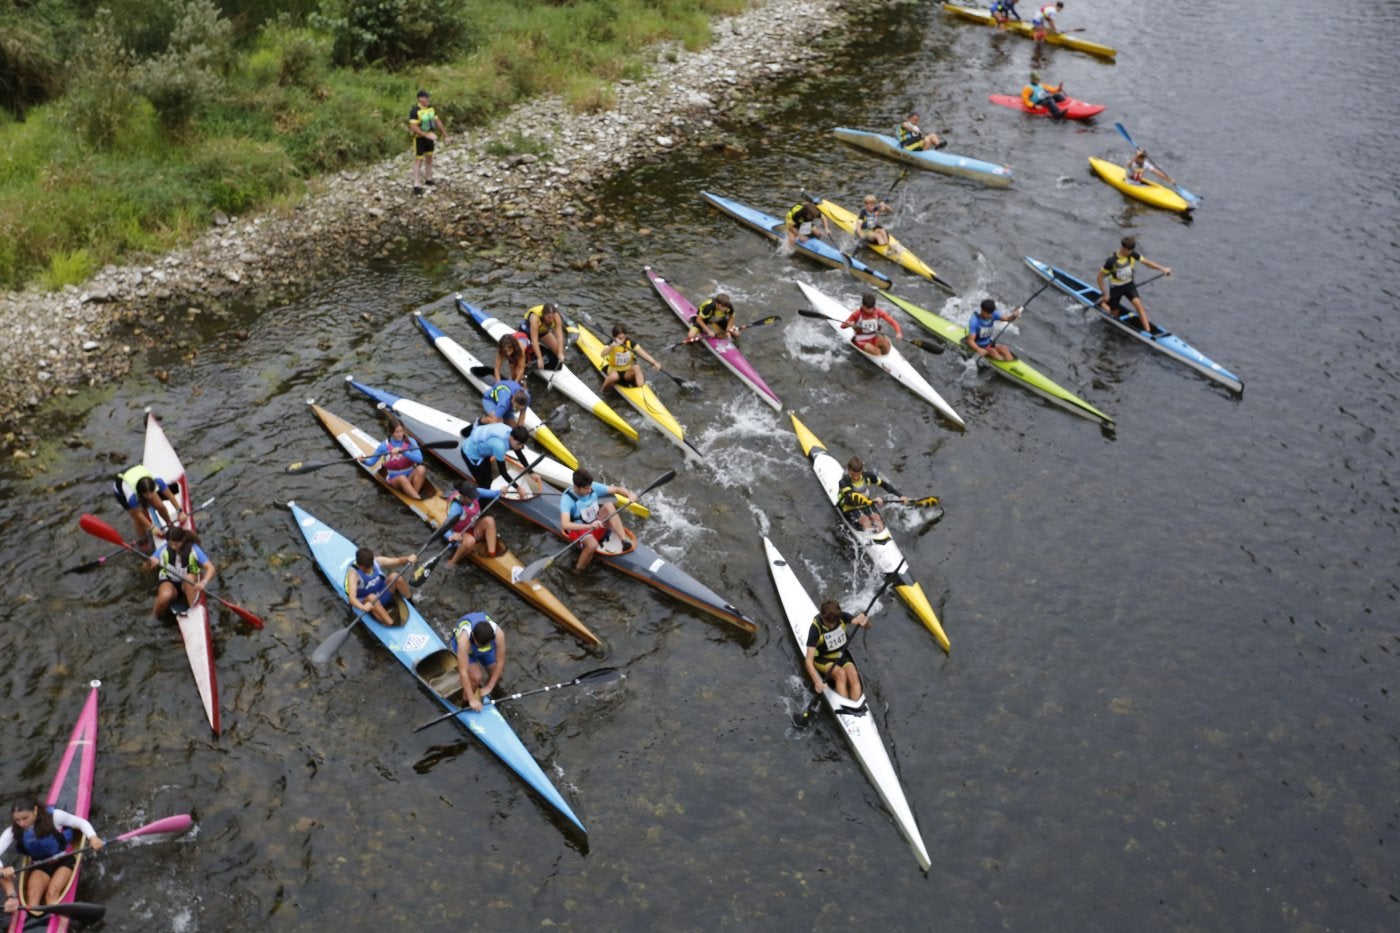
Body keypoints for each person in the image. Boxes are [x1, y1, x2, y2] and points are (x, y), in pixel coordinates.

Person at [0, 796, 104, 915]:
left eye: (25, 818)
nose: (22, 823)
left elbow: (81, 823)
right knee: (32, 899)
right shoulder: (12, 831)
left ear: (35, 810)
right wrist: (2, 870)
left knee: (52, 894)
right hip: (40, 866)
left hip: (63, 860)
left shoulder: (55, 816)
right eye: (17, 820)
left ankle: (58, 918)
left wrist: (93, 837)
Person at [559, 468, 636, 571]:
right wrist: (589, 526)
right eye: (586, 489)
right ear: (577, 487)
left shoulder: (591, 486)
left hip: (596, 523)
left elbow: (617, 489)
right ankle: (578, 569)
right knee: (592, 545)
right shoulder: (567, 500)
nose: (590, 490)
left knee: (609, 505)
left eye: (590, 487)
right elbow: (565, 524)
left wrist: (629, 495)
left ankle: (623, 540)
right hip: (580, 529)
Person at [1097, 236, 1171, 332]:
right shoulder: (1111, 261)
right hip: (1116, 288)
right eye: (1128, 250)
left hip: (1129, 285)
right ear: (1123, 248)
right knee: (1114, 315)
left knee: (1138, 305)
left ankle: (1148, 333)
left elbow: (1147, 262)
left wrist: (1163, 269)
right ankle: (1103, 304)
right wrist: (1104, 293)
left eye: (1131, 250)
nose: (1130, 252)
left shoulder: (1132, 254)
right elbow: (1099, 277)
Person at [804, 599, 870, 701]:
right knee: (841, 674)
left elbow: (867, 626)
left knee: (853, 674)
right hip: (823, 659)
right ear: (822, 616)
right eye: (828, 622)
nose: (831, 625)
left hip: (841, 655)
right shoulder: (815, 628)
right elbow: (808, 661)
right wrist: (817, 681)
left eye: (834, 622)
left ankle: (856, 704)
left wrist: (864, 622)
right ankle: (844, 705)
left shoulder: (842, 616)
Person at [147, 526, 215, 620]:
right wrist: (149, 563)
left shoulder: (194, 549)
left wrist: (203, 582)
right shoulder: (163, 549)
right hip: (169, 582)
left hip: (188, 584)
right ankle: (154, 615)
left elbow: (211, 568)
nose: (173, 547)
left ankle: (195, 613)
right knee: (165, 596)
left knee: (188, 578)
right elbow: (145, 569)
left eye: (176, 544)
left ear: (183, 540)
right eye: (170, 544)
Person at [345, 545, 416, 627]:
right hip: (369, 604)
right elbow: (352, 599)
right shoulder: (353, 574)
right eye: (366, 568)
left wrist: (408, 559)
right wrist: (363, 607)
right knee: (372, 597)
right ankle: (391, 624)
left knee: (395, 576)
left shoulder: (376, 561)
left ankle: (411, 604)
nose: (369, 570)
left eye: (370, 566)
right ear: (359, 565)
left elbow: (398, 561)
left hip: (381, 593)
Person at [450, 612, 507, 712]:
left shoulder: (499, 634)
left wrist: (489, 687)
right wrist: (472, 698)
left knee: (498, 675)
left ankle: (487, 693)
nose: (482, 647)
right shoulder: (464, 640)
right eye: (480, 644)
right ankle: (465, 703)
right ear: (473, 635)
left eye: (485, 644)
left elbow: (500, 662)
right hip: (468, 651)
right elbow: (463, 672)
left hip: (486, 650)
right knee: (476, 677)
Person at [837, 456, 909, 533]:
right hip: (849, 507)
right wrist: (873, 501)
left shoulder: (867, 476)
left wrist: (900, 496)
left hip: (866, 504)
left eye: (858, 474)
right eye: (853, 474)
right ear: (849, 470)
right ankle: (869, 539)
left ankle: (879, 537)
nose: (855, 477)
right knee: (865, 521)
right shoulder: (843, 482)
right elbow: (853, 497)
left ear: (862, 471)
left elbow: (884, 485)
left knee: (878, 521)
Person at [358, 420, 427, 499]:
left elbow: (419, 460)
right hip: (395, 480)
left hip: (410, 476)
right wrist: (363, 460)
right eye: (397, 432)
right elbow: (371, 463)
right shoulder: (384, 446)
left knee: (422, 469)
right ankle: (418, 499)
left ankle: (413, 494)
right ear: (391, 432)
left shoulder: (410, 441)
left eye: (402, 431)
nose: (400, 434)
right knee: (402, 478)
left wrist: (403, 452)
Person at [112, 464, 182, 541]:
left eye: (151, 492)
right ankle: (143, 540)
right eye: (146, 494)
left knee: (160, 505)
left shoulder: (157, 479)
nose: (150, 497)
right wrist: (152, 528)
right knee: (137, 519)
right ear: (141, 493)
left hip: (141, 483)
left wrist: (180, 511)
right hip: (121, 491)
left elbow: (170, 495)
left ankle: (170, 524)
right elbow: (138, 514)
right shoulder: (131, 496)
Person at [441, 482, 501, 567]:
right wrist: (451, 536)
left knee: (490, 520)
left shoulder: (474, 493)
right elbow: (444, 528)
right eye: (472, 497)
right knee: (470, 541)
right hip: (461, 533)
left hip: (474, 527)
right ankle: (452, 561)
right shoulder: (456, 508)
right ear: (464, 496)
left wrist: (500, 491)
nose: (475, 498)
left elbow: (493, 493)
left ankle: (492, 555)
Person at [459, 423, 529, 489]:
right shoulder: (499, 446)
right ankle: (481, 499)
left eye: (522, 444)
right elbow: (503, 472)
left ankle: (487, 487)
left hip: (482, 449)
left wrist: (531, 472)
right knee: (484, 485)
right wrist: (518, 488)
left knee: (489, 479)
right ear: (511, 437)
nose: (520, 447)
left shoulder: (510, 431)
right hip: (471, 454)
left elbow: (519, 453)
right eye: (518, 444)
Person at [600, 324, 662, 393]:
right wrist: (612, 346)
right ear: (614, 337)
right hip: (614, 371)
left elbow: (644, 354)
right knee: (613, 377)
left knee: (636, 366)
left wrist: (654, 363)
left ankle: (642, 389)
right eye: (619, 338)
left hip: (627, 372)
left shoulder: (630, 342)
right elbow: (602, 354)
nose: (622, 341)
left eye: (623, 338)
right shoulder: (611, 343)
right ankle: (603, 390)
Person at [408, 89, 446, 196]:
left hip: (430, 137)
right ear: (420, 99)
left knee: (429, 157)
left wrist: (445, 135)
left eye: (428, 97)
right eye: (426, 98)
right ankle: (416, 184)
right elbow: (414, 127)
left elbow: (437, 121)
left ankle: (429, 178)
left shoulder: (431, 109)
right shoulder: (415, 111)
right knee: (418, 160)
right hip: (419, 138)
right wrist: (426, 135)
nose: (428, 99)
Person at [840, 292, 902, 357]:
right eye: (868, 308)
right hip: (860, 339)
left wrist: (898, 332)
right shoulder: (856, 314)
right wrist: (848, 324)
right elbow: (842, 326)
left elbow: (893, 322)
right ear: (863, 306)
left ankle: (883, 356)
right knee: (877, 351)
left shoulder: (878, 312)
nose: (871, 310)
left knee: (886, 345)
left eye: (872, 307)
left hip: (873, 336)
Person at [967, 298, 1023, 362]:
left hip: (988, 345)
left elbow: (1008, 318)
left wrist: (1014, 316)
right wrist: (979, 349)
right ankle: (1003, 365)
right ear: (982, 310)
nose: (990, 315)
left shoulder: (993, 314)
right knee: (993, 351)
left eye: (991, 313)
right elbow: (970, 341)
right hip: (978, 345)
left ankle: (1011, 364)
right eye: (988, 314)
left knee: (1003, 348)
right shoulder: (974, 321)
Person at [519, 303, 567, 371]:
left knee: (558, 349)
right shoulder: (535, 318)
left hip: (542, 331)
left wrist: (560, 353)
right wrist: (539, 358)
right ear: (543, 315)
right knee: (524, 353)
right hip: (528, 330)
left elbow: (559, 336)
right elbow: (534, 339)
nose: (551, 320)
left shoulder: (556, 316)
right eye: (548, 317)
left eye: (552, 318)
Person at [855, 194, 903, 259]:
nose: (873, 206)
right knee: (878, 236)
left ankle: (886, 244)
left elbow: (890, 210)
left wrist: (884, 205)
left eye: (874, 204)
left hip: (872, 228)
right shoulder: (863, 213)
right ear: (866, 205)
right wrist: (861, 235)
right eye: (871, 205)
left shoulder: (875, 208)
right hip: (865, 230)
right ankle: (883, 250)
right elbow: (858, 227)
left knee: (883, 230)